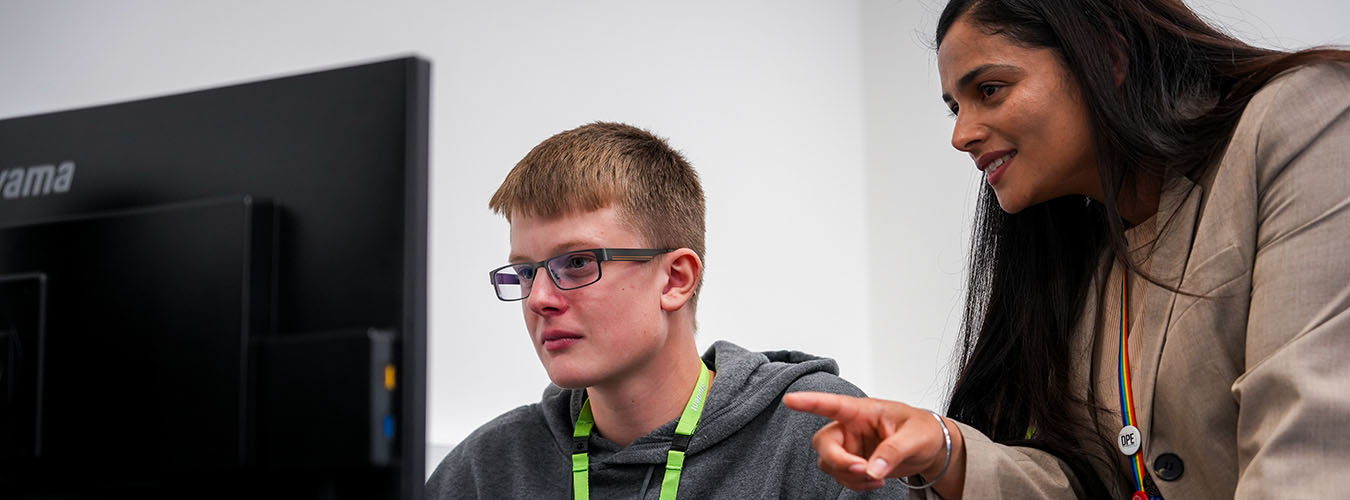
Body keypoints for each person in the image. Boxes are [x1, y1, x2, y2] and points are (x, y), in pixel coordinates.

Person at [784, 0, 1350, 499]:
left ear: (1107, 58)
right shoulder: (1086, 256)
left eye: (989, 91)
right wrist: (944, 450)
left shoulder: (1301, 117)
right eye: (956, 108)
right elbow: (1095, 480)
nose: (961, 135)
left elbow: (1307, 449)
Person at [426, 122, 900, 499]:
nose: (538, 299)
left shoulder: (813, 437)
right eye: (527, 272)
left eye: (576, 263)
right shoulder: (485, 469)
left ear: (676, 280)